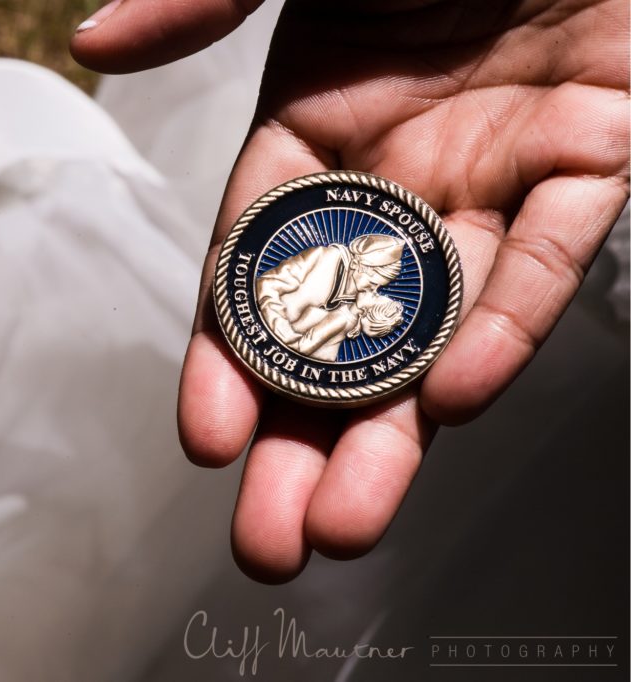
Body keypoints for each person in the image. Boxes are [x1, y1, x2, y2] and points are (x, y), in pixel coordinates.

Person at [72, 0, 630, 583]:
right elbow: (284, 294)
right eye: (375, 266)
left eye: (385, 275)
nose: (376, 278)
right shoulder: (326, 260)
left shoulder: (359, 299)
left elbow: (348, 320)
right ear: (359, 253)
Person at [255, 233, 405, 356]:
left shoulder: (357, 304)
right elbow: (267, 284)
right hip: (262, 328)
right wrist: (283, 333)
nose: (375, 290)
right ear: (357, 265)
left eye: (380, 286)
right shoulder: (322, 257)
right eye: (373, 282)